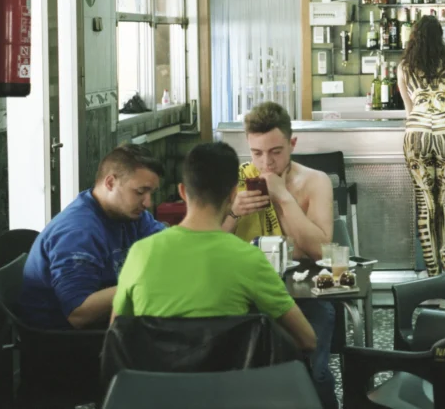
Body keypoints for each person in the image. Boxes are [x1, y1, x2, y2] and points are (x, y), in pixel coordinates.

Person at [111, 141, 316, 353]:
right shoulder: (249, 259)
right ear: (233, 194)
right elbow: (307, 339)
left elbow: (117, 335)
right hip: (229, 375)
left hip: (152, 374)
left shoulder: (140, 253)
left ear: (182, 192)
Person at [222, 101, 337, 409]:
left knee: (315, 373)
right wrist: (234, 213)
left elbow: (322, 251)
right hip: (246, 294)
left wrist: (284, 197)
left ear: (292, 144)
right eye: (257, 153)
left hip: (303, 294)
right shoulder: (235, 183)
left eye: (275, 152)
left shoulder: (315, 181)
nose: (266, 163)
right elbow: (209, 246)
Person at [19, 145, 166, 329]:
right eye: (140, 192)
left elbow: (168, 246)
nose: (148, 202)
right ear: (110, 183)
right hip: (68, 337)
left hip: (110, 322)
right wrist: (142, 284)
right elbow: (79, 314)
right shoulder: (78, 232)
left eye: (151, 193)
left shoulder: (130, 214)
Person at [396, 14, 445, 277]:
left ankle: (433, 272)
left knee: (425, 203)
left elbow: (409, 110)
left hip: (417, 131)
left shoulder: (404, 68)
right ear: (441, 37)